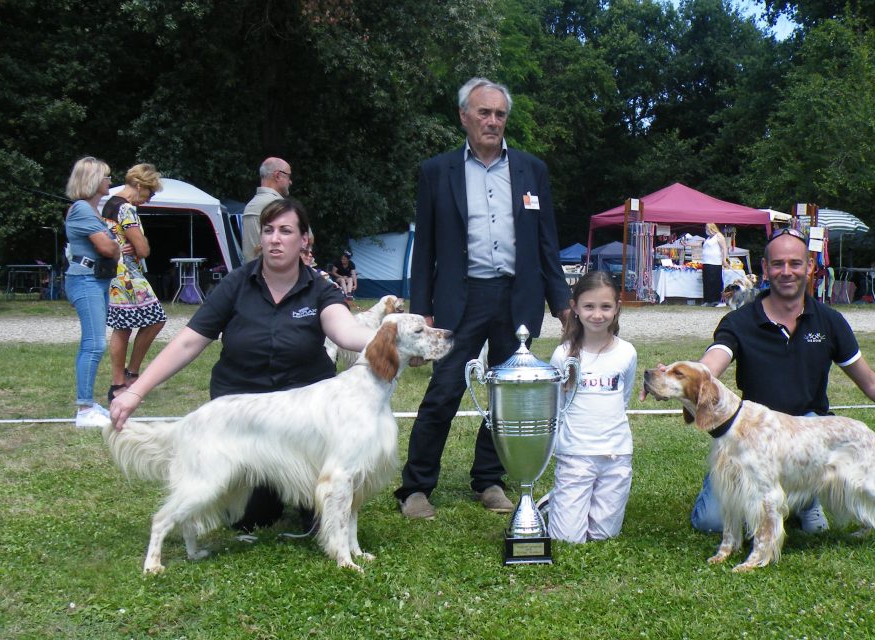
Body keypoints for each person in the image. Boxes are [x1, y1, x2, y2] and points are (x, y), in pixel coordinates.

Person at [110, 198, 376, 532]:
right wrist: (135, 392)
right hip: (245, 420)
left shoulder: (320, 288)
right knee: (250, 518)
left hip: (304, 422)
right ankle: (265, 491)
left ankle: (301, 491)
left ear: (304, 240)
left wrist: (389, 340)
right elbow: (189, 342)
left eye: (285, 231)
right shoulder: (235, 285)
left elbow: (346, 330)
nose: (275, 239)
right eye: (268, 231)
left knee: (321, 511)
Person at [687, 228, 875, 533]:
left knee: (813, 524)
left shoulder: (829, 321)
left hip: (808, 440)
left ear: (810, 266)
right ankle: (789, 499)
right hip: (755, 442)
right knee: (710, 522)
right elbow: (711, 364)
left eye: (795, 263)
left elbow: (871, 382)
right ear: (765, 268)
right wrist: (677, 378)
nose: (787, 272)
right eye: (778, 264)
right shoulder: (739, 322)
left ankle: (804, 495)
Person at [396, 77, 572, 520]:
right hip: (461, 298)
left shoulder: (533, 169)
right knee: (444, 391)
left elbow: (547, 244)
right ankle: (416, 487)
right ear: (464, 117)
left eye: (499, 114)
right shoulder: (437, 171)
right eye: (484, 113)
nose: (492, 121)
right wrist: (422, 313)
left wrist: (563, 304)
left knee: (508, 394)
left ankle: (489, 480)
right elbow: (427, 251)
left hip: (519, 298)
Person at [544, 271, 638, 543]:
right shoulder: (562, 355)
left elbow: (623, 398)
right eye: (589, 306)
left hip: (616, 456)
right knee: (568, 539)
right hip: (576, 454)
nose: (597, 314)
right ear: (574, 307)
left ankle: (576, 502)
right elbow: (556, 406)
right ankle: (558, 500)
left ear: (617, 307)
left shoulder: (627, 352)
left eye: (605, 307)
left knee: (602, 535)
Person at [63, 156, 126, 428]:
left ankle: (86, 404)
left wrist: (113, 244)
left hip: (95, 279)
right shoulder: (82, 210)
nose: (110, 181)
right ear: (93, 180)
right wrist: (114, 244)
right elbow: (107, 248)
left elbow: (112, 246)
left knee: (93, 342)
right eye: (106, 176)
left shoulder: (90, 211)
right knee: (94, 343)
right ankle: (85, 409)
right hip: (85, 279)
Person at [101, 163, 166, 403]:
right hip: (127, 274)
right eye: (150, 192)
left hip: (116, 273)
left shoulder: (110, 203)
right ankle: (129, 375)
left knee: (124, 326)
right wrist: (141, 247)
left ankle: (122, 379)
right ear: (139, 185)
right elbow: (143, 248)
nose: (149, 199)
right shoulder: (127, 208)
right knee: (154, 320)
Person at [240, 157, 292, 261]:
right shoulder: (281, 207)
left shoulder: (250, 206)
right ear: (277, 175)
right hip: (279, 273)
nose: (290, 182)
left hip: (252, 274)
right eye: (288, 176)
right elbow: (307, 241)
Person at [700, 223, 729, 307]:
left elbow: (724, 248)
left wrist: (724, 259)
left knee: (715, 281)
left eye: (707, 228)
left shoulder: (718, 236)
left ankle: (717, 300)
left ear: (711, 228)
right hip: (706, 262)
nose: (706, 230)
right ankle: (707, 300)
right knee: (707, 281)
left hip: (715, 262)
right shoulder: (708, 238)